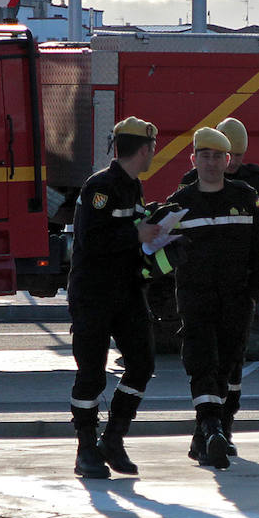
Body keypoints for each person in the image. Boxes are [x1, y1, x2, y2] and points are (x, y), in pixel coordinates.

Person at [167, 126, 259, 469]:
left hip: (237, 298)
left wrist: (258, 287)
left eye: (217, 157)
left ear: (227, 160)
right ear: (194, 159)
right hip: (196, 297)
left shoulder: (244, 196)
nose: (211, 163)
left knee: (229, 364)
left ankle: (211, 434)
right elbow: (161, 252)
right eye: (204, 156)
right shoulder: (180, 203)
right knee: (201, 362)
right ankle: (212, 428)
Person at [67, 116, 162, 479]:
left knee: (142, 363)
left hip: (127, 292)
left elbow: (129, 235)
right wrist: (137, 235)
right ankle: (85, 448)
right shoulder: (100, 187)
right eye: (152, 147)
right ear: (144, 149)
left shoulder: (133, 187)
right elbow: (92, 242)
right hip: (93, 294)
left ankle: (114, 437)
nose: (154, 152)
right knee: (91, 374)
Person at [178, 117, 259, 239]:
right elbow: (177, 224)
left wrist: (247, 224)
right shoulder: (193, 178)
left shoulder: (258, 179)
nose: (233, 162)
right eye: (230, 154)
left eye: (238, 155)